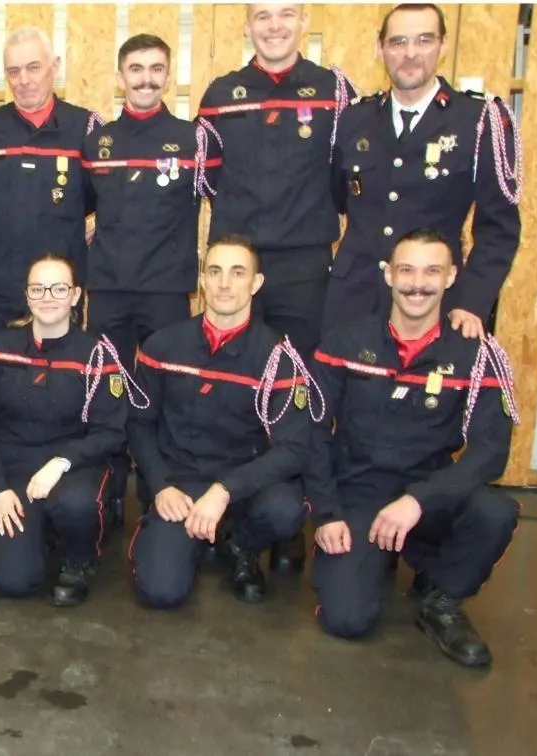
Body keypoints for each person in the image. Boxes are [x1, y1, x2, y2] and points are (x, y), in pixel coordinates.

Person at [305, 228, 522, 667]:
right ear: (388, 275)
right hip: (360, 491)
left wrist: (418, 500)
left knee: (495, 511)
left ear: (451, 277)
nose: (417, 284)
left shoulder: (477, 354)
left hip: (430, 493)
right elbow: (311, 431)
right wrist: (326, 513)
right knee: (346, 620)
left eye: (431, 272)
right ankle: (376, 557)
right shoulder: (345, 342)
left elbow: (490, 452)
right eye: (406, 270)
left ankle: (442, 597)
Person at [196, 3, 356, 573]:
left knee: (298, 393)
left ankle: (289, 515)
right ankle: (236, 503)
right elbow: (208, 178)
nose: (274, 26)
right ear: (247, 26)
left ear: (304, 20)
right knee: (235, 386)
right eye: (262, 15)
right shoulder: (221, 95)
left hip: (303, 266)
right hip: (237, 265)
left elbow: (345, 177)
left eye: (286, 13)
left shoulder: (335, 91)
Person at [128, 237, 315, 606]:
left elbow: (294, 448)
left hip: (246, 486)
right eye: (215, 272)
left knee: (286, 510)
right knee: (161, 592)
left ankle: (240, 545)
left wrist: (225, 490)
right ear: (202, 280)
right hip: (180, 486)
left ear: (256, 283)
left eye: (237, 273)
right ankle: (186, 539)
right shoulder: (162, 346)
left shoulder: (279, 358)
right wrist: (161, 486)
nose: (224, 283)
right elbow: (138, 425)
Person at [83, 34, 218, 529]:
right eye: (135, 69)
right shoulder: (97, 142)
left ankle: (161, 485)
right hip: (108, 288)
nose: (145, 78)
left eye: (156, 68)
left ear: (168, 75)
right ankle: (111, 483)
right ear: (120, 77)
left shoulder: (193, 140)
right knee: (109, 389)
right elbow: (81, 206)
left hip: (165, 290)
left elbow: (222, 198)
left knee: (166, 390)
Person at [328, 3, 522, 337]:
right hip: (353, 302)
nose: (410, 53)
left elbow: (499, 228)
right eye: (398, 42)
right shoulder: (353, 119)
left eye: (424, 40)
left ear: (443, 46)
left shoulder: (476, 122)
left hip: (434, 303)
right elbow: (338, 199)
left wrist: (472, 302)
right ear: (380, 48)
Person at [0, 255, 134, 607]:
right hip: (14, 469)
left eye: (59, 288)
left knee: (76, 504)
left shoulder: (97, 354)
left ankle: (79, 560)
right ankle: (31, 532)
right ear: (27, 296)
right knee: (14, 582)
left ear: (75, 296)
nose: (47, 297)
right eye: (38, 289)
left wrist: (62, 462)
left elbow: (111, 432)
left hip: (75, 467)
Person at [0, 27, 101, 354]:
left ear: (55, 67)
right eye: (13, 71)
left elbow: (105, 198)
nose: (23, 80)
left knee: (59, 381)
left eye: (33, 68)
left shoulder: (87, 129)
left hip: (58, 295)